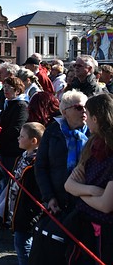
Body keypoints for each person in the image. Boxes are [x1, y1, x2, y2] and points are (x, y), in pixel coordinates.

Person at [29, 90, 89, 264]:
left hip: (85, 201)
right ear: (65, 112)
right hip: (58, 199)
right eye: (78, 107)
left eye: (86, 107)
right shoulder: (54, 130)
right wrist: (49, 197)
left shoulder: (93, 132)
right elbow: (41, 166)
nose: (83, 111)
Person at [64, 93, 113, 265]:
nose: (85, 119)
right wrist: (91, 191)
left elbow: (106, 205)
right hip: (84, 226)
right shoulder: (92, 145)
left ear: (95, 118)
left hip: (106, 233)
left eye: (88, 115)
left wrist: (81, 191)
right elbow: (69, 185)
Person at [7, 122, 46, 265]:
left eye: (22, 136)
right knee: (21, 243)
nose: (18, 138)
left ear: (33, 141)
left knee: (23, 246)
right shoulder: (24, 156)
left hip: (28, 212)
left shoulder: (37, 162)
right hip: (17, 207)